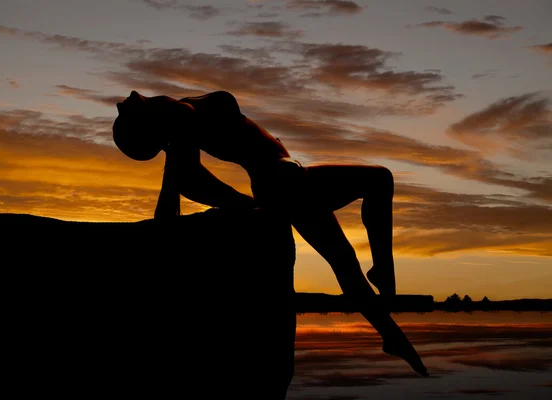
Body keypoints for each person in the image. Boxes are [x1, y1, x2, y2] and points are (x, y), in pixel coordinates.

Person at [112, 90, 428, 377]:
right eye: (134, 108)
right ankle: (384, 273)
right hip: (283, 183)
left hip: (282, 183)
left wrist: (246, 201)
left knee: (343, 260)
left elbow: (184, 176)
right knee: (379, 180)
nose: (134, 97)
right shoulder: (180, 116)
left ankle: (390, 336)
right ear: (148, 121)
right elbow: (188, 179)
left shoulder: (182, 108)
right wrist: (245, 203)